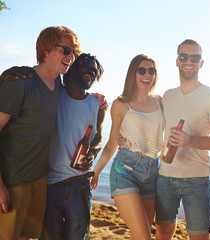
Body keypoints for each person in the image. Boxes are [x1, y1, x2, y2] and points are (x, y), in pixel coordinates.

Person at [0, 26, 81, 240]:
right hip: (13, 180)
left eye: (74, 52)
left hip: (40, 179)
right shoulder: (20, 83)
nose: (71, 57)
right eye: (66, 50)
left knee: (27, 236)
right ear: (45, 49)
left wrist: (99, 100)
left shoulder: (59, 87)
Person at [155, 39, 210, 240]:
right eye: (183, 57)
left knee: (200, 236)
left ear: (201, 63)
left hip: (196, 179)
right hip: (164, 176)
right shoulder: (167, 96)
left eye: (194, 57)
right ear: (177, 61)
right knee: (162, 233)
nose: (189, 61)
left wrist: (189, 141)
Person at [91, 54, 164, 240]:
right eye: (142, 70)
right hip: (125, 170)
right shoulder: (121, 104)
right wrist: (96, 171)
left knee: (140, 233)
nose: (147, 75)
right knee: (143, 235)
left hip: (152, 171)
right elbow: (111, 144)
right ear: (133, 73)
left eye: (151, 70)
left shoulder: (160, 102)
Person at [39, 53, 106, 240]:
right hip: (51, 184)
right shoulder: (53, 93)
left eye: (95, 70)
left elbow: (99, 136)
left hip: (80, 185)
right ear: (72, 67)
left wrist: (93, 152)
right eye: (86, 66)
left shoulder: (96, 105)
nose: (91, 71)